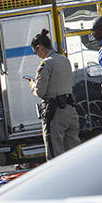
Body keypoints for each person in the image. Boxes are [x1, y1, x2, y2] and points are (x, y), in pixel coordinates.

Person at [29, 28, 80, 159]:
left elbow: (41, 92)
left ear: (39, 47)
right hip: (70, 110)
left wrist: (33, 84)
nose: (37, 55)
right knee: (74, 154)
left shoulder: (45, 64)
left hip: (55, 113)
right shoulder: (64, 59)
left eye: (36, 52)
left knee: (55, 156)